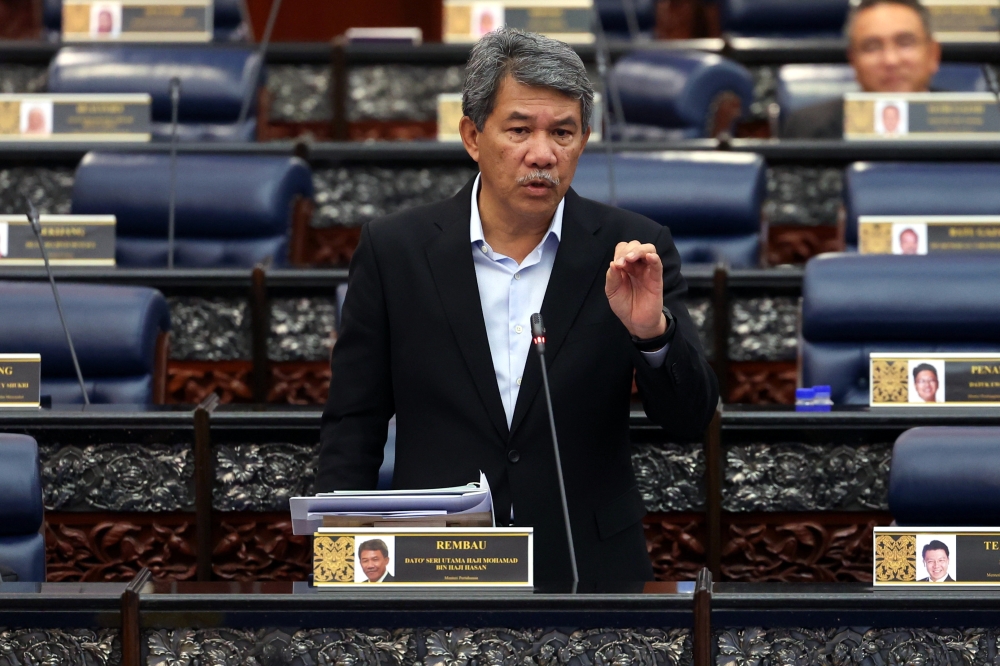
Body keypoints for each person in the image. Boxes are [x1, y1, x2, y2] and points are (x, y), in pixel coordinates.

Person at [316, 27, 719, 584]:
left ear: (584, 140)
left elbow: (688, 420)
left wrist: (651, 333)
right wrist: (341, 564)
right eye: (519, 129)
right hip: (437, 564)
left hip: (586, 565)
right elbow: (353, 421)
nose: (542, 153)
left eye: (563, 132)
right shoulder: (396, 250)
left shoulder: (632, 251)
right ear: (472, 136)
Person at [782, 0, 940, 139]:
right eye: (872, 47)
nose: (890, 60)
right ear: (853, 61)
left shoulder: (962, 119)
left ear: (933, 54)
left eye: (905, 43)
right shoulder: (811, 127)